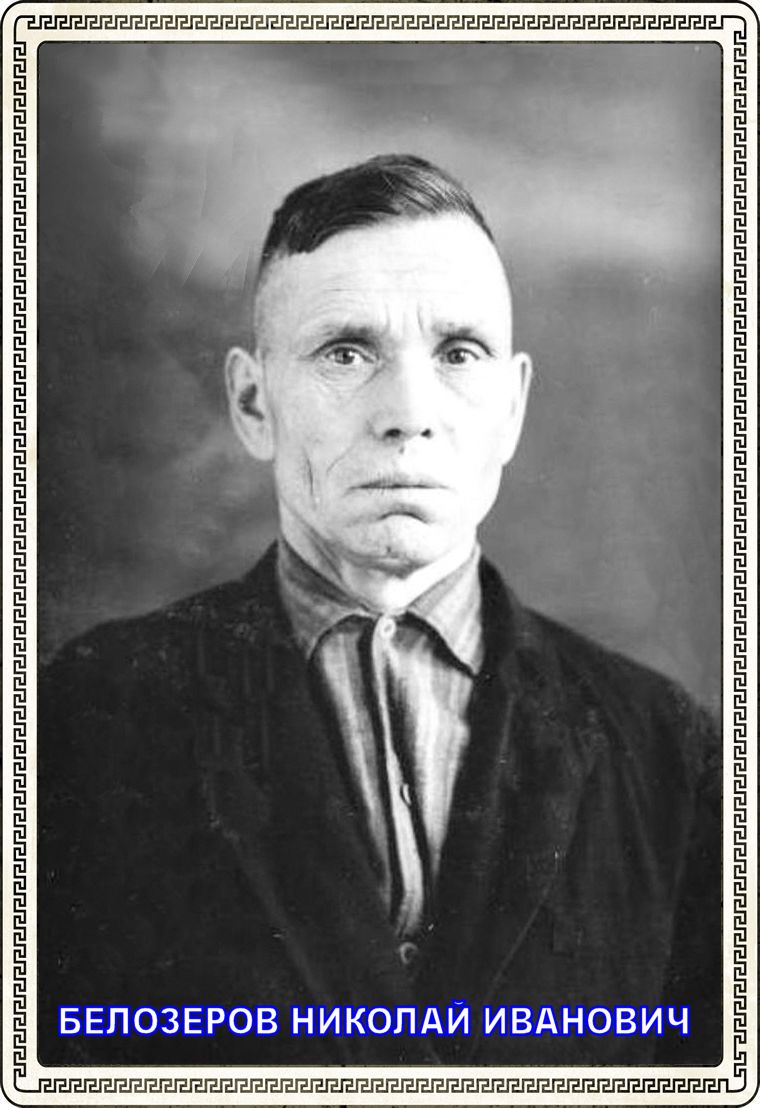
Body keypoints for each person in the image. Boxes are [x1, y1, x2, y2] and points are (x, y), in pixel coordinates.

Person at [38, 154, 720, 1067]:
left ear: (512, 406)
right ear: (253, 403)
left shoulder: (667, 749)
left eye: (458, 353)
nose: (408, 412)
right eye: (346, 352)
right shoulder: (83, 715)